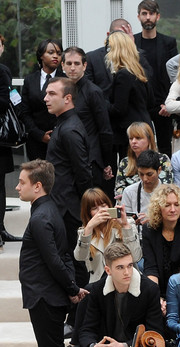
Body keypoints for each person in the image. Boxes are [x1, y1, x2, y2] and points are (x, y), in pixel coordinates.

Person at [18, 160, 86, 347]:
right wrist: (71, 288)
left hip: (45, 296)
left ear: (38, 186)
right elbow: (61, 256)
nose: (17, 187)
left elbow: (55, 260)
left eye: (22, 182)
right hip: (46, 294)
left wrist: (72, 289)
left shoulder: (41, 217)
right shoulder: (47, 210)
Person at [44, 77, 93, 252]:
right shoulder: (63, 124)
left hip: (69, 210)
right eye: (46, 93)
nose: (46, 98)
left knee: (73, 259)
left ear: (67, 98)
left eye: (52, 94)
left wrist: (85, 207)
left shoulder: (69, 130)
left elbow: (83, 172)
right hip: (62, 205)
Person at [61, 47, 115, 189]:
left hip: (90, 158)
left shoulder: (93, 92)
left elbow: (105, 129)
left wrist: (106, 162)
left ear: (84, 66)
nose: (73, 68)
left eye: (77, 63)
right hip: (67, 156)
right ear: (62, 66)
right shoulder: (61, 91)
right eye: (69, 63)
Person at [141, 183, 180, 297]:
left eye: (176, 204)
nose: (173, 209)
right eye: (167, 205)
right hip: (158, 287)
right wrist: (155, 297)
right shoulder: (149, 230)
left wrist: (172, 299)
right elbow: (151, 268)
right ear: (158, 208)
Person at [133, 1, 177, 154]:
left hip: (162, 105)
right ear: (138, 17)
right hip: (139, 106)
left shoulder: (169, 43)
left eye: (151, 14)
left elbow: (175, 75)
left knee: (165, 147)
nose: (148, 17)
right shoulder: (132, 42)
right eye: (144, 14)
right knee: (138, 147)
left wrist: (169, 103)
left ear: (158, 16)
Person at [74, 189, 141, 283]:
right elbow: (80, 257)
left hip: (127, 281)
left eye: (103, 205)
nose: (101, 211)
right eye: (94, 208)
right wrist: (89, 228)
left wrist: (125, 226)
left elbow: (136, 257)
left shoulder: (126, 223)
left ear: (109, 205)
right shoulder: (85, 232)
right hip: (99, 284)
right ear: (88, 213)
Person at [105, 33, 153, 161]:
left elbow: (118, 109)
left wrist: (103, 102)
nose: (108, 53)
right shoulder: (138, 71)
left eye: (110, 48)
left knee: (132, 167)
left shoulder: (123, 75)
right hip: (144, 128)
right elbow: (150, 101)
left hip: (131, 133)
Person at [20, 39, 64, 161]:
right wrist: (39, 135)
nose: (55, 56)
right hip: (35, 142)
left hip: (61, 140)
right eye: (51, 52)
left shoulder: (65, 80)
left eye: (59, 53)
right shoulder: (30, 80)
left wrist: (56, 134)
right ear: (41, 56)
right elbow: (24, 112)